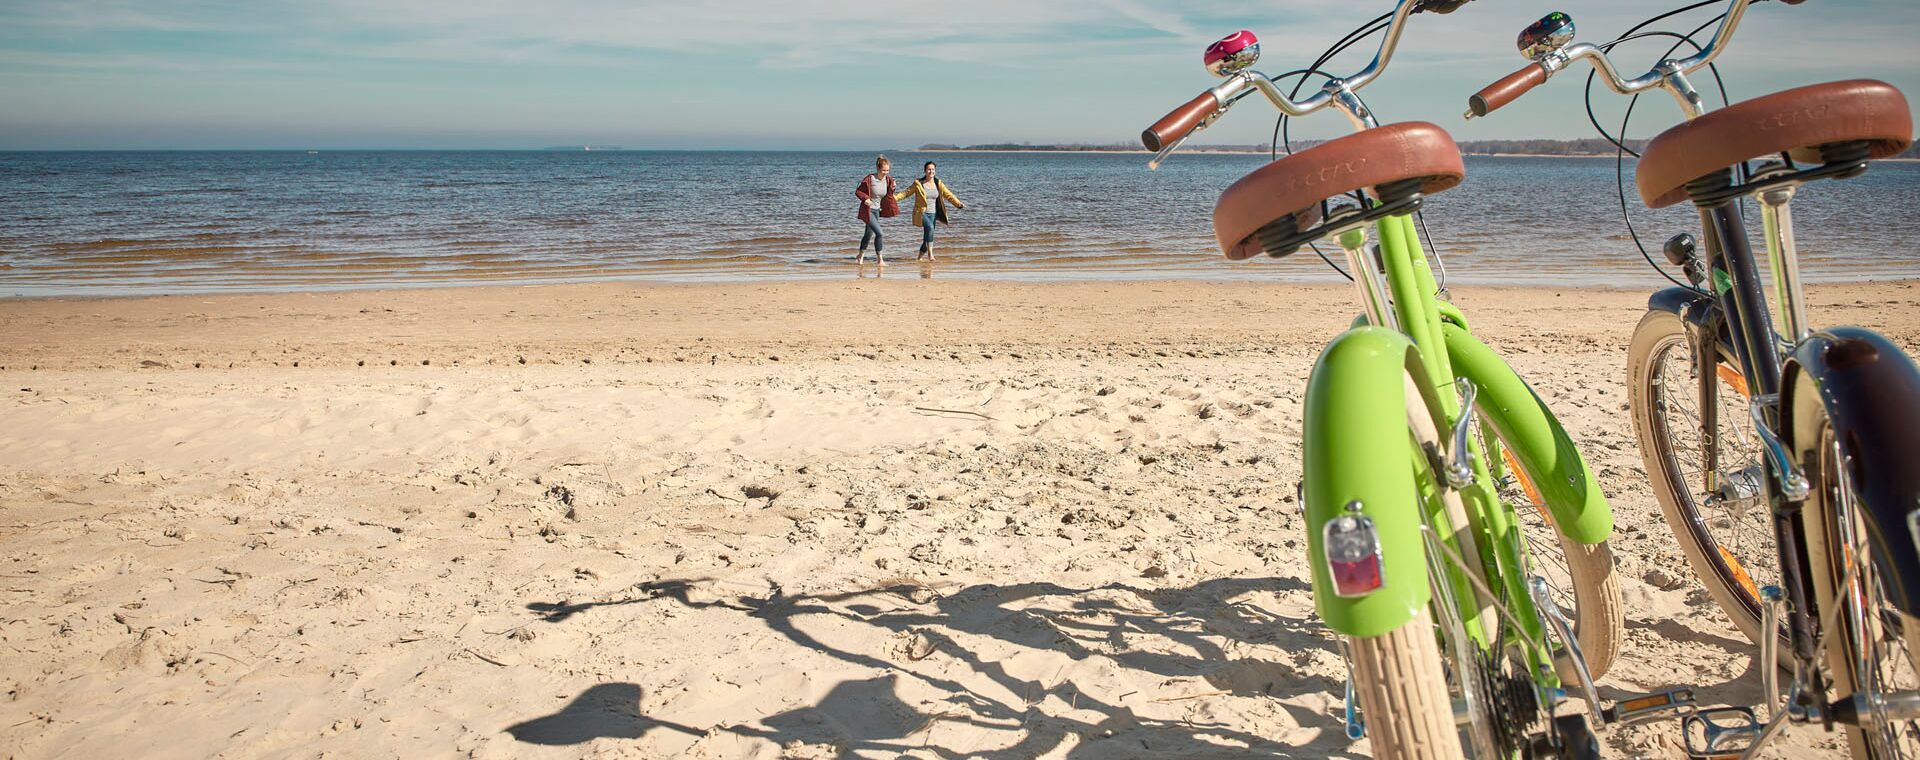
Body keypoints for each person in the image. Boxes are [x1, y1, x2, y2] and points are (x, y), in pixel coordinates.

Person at [895, 161, 967, 260]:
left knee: (927, 238)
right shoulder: (918, 184)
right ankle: (930, 255)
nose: (931, 171)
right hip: (921, 212)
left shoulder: (938, 183)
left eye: (933, 169)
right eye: (929, 169)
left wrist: (958, 204)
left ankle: (919, 258)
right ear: (925, 171)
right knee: (930, 228)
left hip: (933, 213)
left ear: (935, 171)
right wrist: (893, 199)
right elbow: (906, 193)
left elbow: (948, 195)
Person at [854, 155, 899, 266]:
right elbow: (858, 192)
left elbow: (888, 195)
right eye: (884, 170)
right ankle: (880, 260)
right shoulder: (870, 179)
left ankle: (860, 256)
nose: (886, 173)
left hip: (877, 210)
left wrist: (893, 188)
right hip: (868, 210)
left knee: (868, 235)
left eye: (888, 170)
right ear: (878, 169)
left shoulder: (888, 179)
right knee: (880, 233)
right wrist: (865, 199)